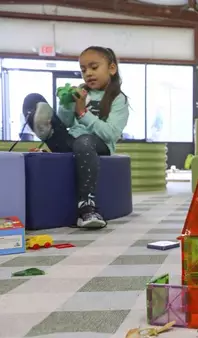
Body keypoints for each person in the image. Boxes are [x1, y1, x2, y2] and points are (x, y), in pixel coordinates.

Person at [22, 46, 129, 229]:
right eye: (83, 70)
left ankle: (87, 207)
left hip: (98, 144)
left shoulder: (118, 99)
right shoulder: (81, 91)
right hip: (72, 141)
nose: (88, 73)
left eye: (94, 67)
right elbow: (66, 122)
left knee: (85, 140)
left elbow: (111, 133)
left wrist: (82, 113)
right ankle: (48, 131)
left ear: (111, 68)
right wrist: (66, 105)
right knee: (34, 99)